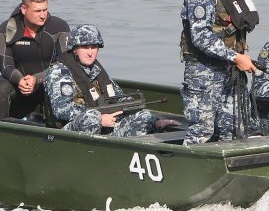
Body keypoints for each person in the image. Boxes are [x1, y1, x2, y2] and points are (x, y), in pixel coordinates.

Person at [179, 0, 260, 145]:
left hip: (230, 70)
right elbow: (200, 36)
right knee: (201, 131)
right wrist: (235, 57)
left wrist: (241, 57)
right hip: (203, 72)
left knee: (234, 130)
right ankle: (189, 174)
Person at [44, 24, 173, 137]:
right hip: (67, 130)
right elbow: (62, 110)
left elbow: (119, 97)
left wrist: (152, 120)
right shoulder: (60, 72)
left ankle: (147, 134)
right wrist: (98, 118)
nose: (90, 53)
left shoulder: (96, 70)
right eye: (85, 47)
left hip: (105, 120)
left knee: (143, 116)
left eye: (94, 47)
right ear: (75, 49)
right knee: (90, 121)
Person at [0, 0, 70, 120]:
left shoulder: (59, 27)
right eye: (37, 11)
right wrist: (20, 80)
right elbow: (5, 66)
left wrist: (36, 79)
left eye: (45, 10)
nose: (43, 15)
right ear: (24, 9)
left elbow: (65, 64)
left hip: (47, 83)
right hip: (19, 84)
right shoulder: (6, 28)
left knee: (59, 85)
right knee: (0, 88)